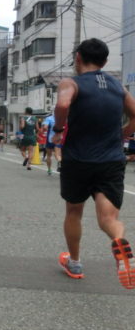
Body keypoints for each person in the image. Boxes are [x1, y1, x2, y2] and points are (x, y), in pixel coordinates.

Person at [52, 38, 135, 288]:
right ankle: (119, 240)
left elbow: (63, 103)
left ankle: (75, 262)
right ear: (105, 62)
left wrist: (58, 128)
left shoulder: (71, 83)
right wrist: (124, 133)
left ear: (78, 58)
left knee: (74, 211)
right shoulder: (117, 86)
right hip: (111, 159)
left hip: (78, 158)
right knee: (108, 218)